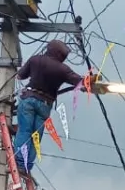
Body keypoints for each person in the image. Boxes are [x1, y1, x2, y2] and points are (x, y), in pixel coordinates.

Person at [14, 40, 83, 175]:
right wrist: (91, 82)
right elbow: (79, 81)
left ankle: (21, 164)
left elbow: (20, 75)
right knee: (35, 137)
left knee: (24, 131)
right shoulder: (63, 69)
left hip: (29, 99)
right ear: (60, 55)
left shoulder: (35, 60)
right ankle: (26, 166)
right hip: (45, 105)